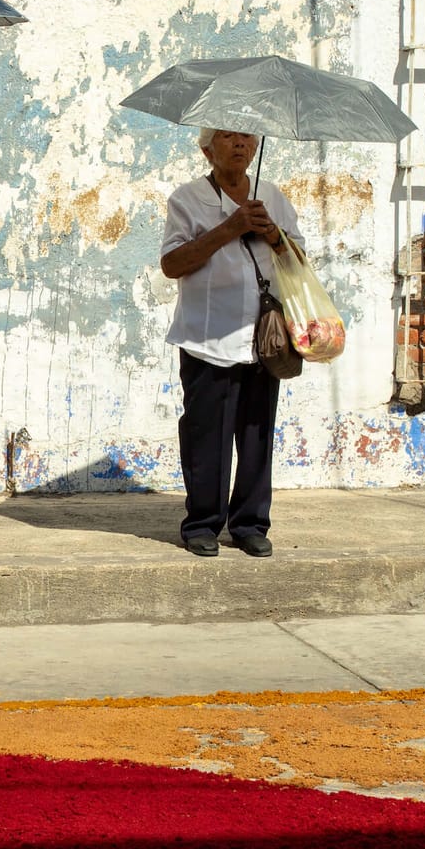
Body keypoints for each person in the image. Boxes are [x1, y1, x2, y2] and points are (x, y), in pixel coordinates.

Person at [158, 128, 306, 558]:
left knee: (258, 435)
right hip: (208, 337)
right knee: (208, 435)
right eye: (227, 137)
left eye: (246, 138)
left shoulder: (272, 197)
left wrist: (274, 235)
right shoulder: (186, 200)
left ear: (255, 147)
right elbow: (172, 263)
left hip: (264, 339)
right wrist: (231, 227)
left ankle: (250, 523)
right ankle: (203, 523)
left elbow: (299, 259)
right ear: (207, 149)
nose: (240, 144)